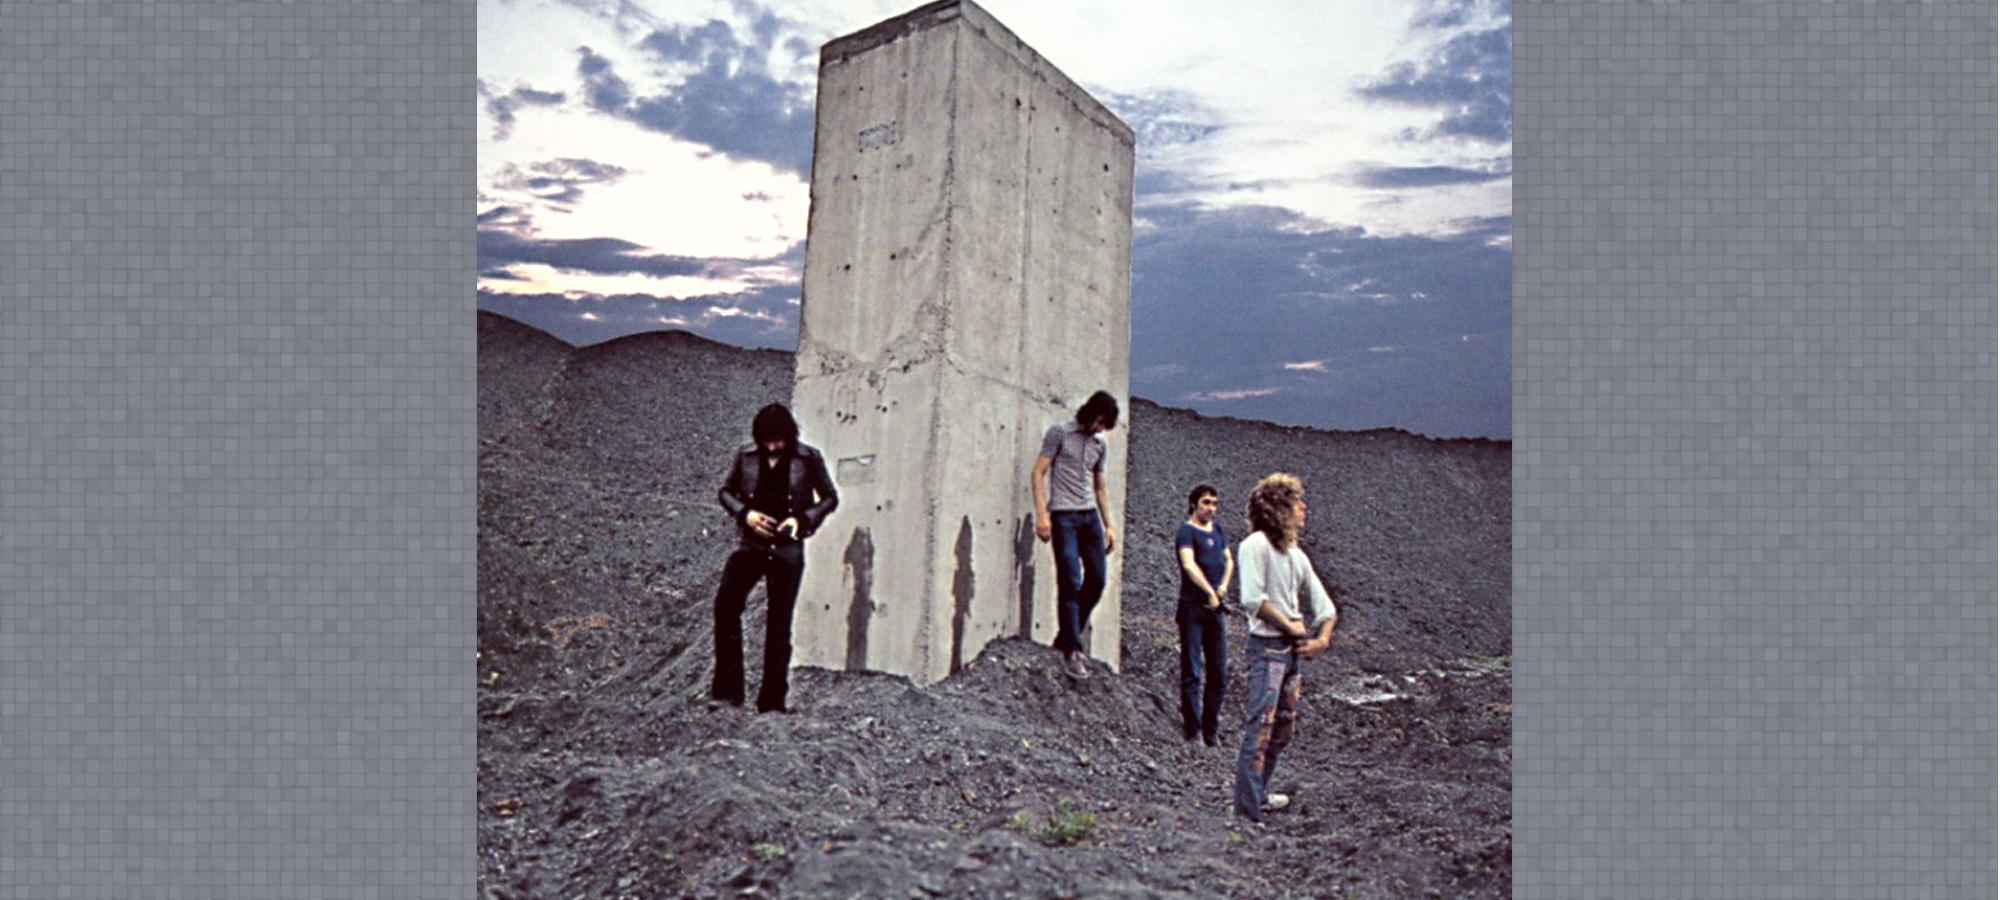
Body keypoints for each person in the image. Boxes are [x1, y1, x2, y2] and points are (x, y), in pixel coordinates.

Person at [710, 402, 838, 713]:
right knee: (725, 607)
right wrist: (746, 514)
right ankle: (727, 693)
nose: (772, 446)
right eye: (766, 440)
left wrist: (802, 521)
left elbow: (831, 498)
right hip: (750, 546)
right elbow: (725, 491)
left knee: (779, 626)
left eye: (778, 440)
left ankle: (772, 703)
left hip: (787, 551)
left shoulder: (809, 458)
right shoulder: (745, 456)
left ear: (789, 436)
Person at [1232, 473, 1337, 822]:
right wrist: (1290, 625)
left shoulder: (1296, 555)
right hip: (1267, 649)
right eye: (1296, 502)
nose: (1303, 508)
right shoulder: (1254, 546)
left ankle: (1258, 794)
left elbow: (1325, 605)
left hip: (1291, 655)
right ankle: (1247, 812)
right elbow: (1251, 598)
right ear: (1277, 508)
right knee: (1260, 727)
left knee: (1282, 730)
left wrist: (1322, 638)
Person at [1030, 390, 1120, 678]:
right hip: (1063, 515)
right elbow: (1038, 472)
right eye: (1100, 422)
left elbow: (1101, 487)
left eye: (1105, 425)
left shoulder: (1099, 445)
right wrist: (1042, 515)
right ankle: (1072, 650)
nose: (1100, 429)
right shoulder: (1060, 433)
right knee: (1070, 577)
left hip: (1089, 516)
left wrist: (1109, 525)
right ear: (1090, 414)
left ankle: (1066, 635)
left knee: (1096, 578)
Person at [1175, 484, 1234, 745]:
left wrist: (1222, 588)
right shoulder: (1186, 532)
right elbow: (1188, 564)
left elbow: (1229, 560)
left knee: (1219, 671)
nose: (1211, 508)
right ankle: (1193, 729)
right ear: (1194, 505)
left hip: (1215, 609)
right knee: (1192, 669)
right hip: (1192, 607)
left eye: (1214, 503)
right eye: (1206, 503)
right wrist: (1208, 591)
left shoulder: (1218, 530)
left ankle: (1212, 728)